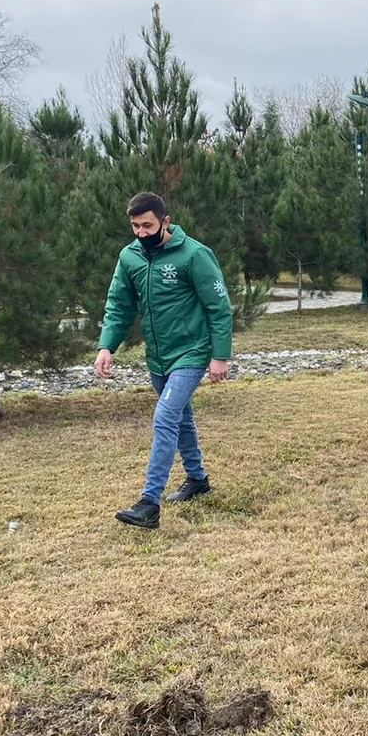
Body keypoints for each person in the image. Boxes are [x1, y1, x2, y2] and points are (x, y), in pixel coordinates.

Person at [94, 192, 234, 530]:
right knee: (182, 418)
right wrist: (106, 346)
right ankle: (198, 480)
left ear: (164, 222)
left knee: (166, 416)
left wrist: (220, 356)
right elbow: (119, 304)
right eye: (135, 226)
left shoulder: (195, 255)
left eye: (147, 225)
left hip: (192, 352)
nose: (141, 232)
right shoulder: (129, 258)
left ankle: (148, 503)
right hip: (158, 356)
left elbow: (219, 307)